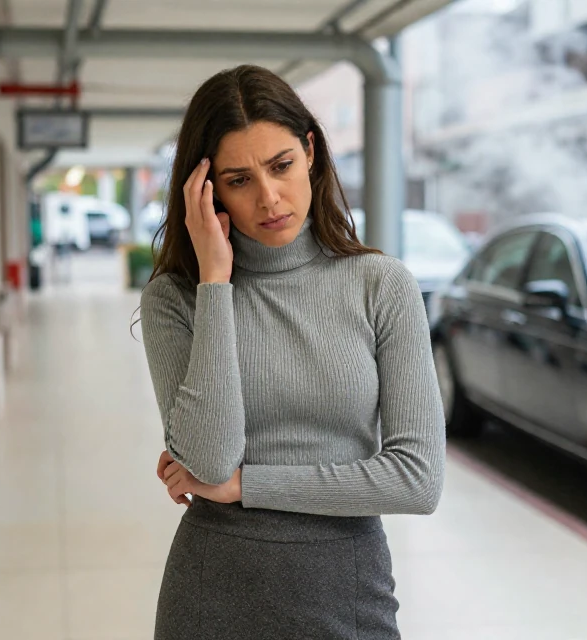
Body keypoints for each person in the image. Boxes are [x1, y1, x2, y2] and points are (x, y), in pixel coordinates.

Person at [138, 64, 445, 640]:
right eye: (238, 179)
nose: (269, 197)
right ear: (205, 191)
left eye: (280, 166)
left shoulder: (381, 285)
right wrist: (215, 283)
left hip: (346, 588)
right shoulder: (177, 300)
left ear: (310, 152)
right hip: (213, 591)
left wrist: (245, 487)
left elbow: (417, 479)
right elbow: (207, 458)